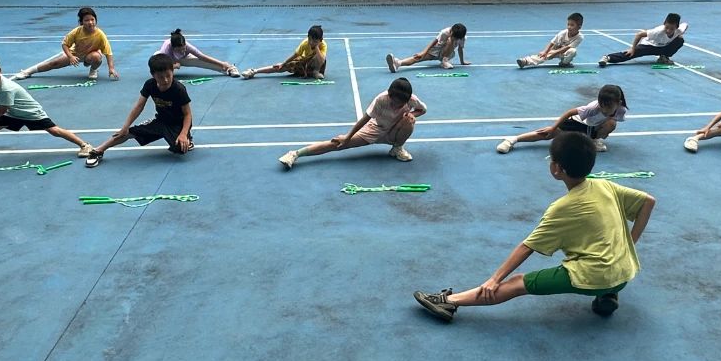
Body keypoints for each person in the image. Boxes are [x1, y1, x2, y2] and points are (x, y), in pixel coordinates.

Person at [413, 131, 655, 322]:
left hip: (594, 275)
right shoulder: (606, 185)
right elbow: (648, 202)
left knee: (517, 283)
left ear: (557, 169)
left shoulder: (562, 208)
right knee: (601, 245)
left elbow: (527, 247)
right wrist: (630, 244)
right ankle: (608, 294)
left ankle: (449, 302)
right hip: (625, 272)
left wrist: (494, 279)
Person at [0, 53, 94, 165]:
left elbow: (3, 109)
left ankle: (84, 145)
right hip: (14, 114)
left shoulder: (6, 88)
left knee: (54, 130)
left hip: (30, 113)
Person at [279, 76, 425, 168]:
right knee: (337, 144)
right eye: (394, 102)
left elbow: (422, 110)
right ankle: (295, 154)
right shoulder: (381, 99)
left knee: (409, 120)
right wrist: (347, 137)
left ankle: (397, 148)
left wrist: (411, 114)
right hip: (375, 129)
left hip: (394, 130)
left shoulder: (411, 99)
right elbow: (364, 119)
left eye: (401, 104)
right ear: (390, 95)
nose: (397, 106)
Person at [84, 53, 194, 167]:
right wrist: (125, 127)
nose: (165, 80)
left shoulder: (178, 89)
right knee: (127, 132)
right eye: (161, 77)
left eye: (168, 75)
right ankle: (98, 151)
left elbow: (187, 114)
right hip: (161, 121)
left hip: (178, 124)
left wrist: (183, 134)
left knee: (180, 149)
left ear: (172, 72)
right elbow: (139, 106)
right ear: (153, 75)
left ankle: (187, 138)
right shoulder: (150, 85)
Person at [496, 84, 627, 155]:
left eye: (608, 106)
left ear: (618, 103)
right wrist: (553, 128)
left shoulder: (621, 110)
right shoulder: (592, 108)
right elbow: (569, 112)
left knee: (611, 123)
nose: (604, 109)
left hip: (592, 127)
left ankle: (594, 140)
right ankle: (512, 140)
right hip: (577, 122)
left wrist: (600, 132)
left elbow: (609, 122)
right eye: (602, 105)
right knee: (548, 135)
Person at [14, 6, 118, 81]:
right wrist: (70, 57)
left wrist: (111, 68)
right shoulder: (76, 32)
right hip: (75, 54)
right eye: (87, 20)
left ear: (96, 20)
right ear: (81, 22)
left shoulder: (100, 35)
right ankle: (27, 72)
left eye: (92, 19)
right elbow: (65, 44)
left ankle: (93, 69)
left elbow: (108, 53)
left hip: (90, 55)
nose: (90, 22)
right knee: (53, 64)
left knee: (96, 57)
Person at [600, 13, 688, 66]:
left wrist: (679, 35)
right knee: (630, 54)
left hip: (663, 48)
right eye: (667, 27)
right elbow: (639, 34)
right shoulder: (657, 31)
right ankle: (607, 58)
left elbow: (685, 24)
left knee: (680, 40)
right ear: (664, 23)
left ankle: (663, 57)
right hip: (649, 46)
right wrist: (632, 48)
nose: (668, 30)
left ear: (677, 27)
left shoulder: (679, 30)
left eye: (672, 29)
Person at [244, 25, 326, 79]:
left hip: (315, 65)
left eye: (314, 41)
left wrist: (316, 47)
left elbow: (321, 60)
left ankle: (315, 72)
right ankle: (254, 71)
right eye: (309, 39)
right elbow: (295, 55)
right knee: (280, 67)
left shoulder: (323, 45)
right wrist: (283, 63)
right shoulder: (305, 43)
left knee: (320, 57)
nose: (311, 42)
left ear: (321, 40)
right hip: (304, 62)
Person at [385, 23, 469, 71]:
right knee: (418, 58)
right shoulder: (444, 32)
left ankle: (444, 61)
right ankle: (398, 63)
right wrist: (423, 52)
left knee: (450, 41)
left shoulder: (462, 38)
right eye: (452, 35)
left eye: (456, 38)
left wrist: (462, 61)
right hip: (436, 50)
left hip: (447, 54)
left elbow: (460, 49)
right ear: (451, 31)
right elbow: (434, 42)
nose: (454, 38)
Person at [160, 29, 240, 77]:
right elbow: (161, 65)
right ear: (173, 47)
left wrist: (222, 63)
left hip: (183, 59)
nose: (182, 51)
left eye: (183, 49)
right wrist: (174, 66)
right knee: (160, 69)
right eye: (179, 50)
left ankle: (228, 69)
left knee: (199, 61)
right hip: (168, 61)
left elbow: (202, 57)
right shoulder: (166, 49)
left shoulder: (188, 46)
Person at [517, 13, 583, 68]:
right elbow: (552, 42)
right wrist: (545, 52)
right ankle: (525, 61)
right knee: (543, 56)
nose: (569, 27)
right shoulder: (563, 33)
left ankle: (564, 63)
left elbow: (568, 47)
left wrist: (554, 53)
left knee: (573, 51)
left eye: (572, 25)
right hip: (555, 48)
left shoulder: (580, 37)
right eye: (568, 24)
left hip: (564, 51)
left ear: (579, 27)